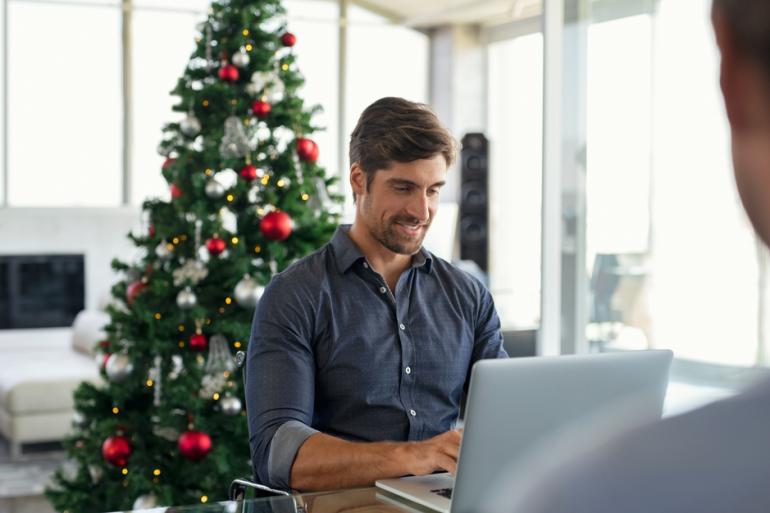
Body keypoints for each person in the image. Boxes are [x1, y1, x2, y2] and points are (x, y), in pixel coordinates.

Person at [484, 1, 770, 512]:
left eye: (434, 190)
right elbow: (286, 444)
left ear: (727, 68)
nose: (422, 209)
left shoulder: (597, 493)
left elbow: (497, 408)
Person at [245, 97, 507, 492]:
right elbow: (278, 455)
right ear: (358, 179)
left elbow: (507, 419)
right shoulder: (296, 295)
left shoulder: (469, 297)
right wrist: (413, 456)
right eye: (404, 188)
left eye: (433, 191)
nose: (422, 211)